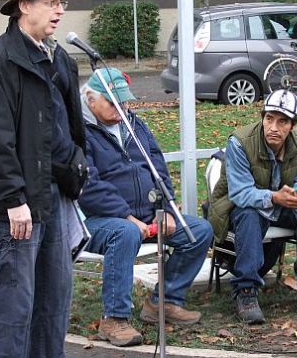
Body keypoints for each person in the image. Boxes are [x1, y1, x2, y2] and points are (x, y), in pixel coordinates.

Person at [0, 0, 87, 358]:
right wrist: (13, 199)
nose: (59, 11)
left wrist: (76, 170)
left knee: (52, 304)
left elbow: (67, 127)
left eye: (61, 4)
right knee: (12, 311)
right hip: (13, 208)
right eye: (51, 3)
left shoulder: (57, 58)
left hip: (52, 197)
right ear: (24, 6)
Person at [78, 68, 213, 347]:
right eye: (113, 102)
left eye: (125, 101)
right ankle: (114, 319)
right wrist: (127, 216)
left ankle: (164, 302)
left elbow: (158, 167)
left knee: (199, 231)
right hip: (97, 221)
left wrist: (167, 210)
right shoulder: (77, 132)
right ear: (91, 100)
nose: (122, 108)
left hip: (147, 215)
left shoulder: (134, 125)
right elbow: (88, 185)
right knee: (124, 233)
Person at [209, 89, 297, 325]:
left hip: (280, 203)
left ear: (293, 125)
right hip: (237, 206)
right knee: (248, 214)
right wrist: (275, 197)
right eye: (269, 118)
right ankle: (246, 290)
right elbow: (240, 193)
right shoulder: (239, 142)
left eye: (282, 121)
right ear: (262, 118)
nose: (274, 127)